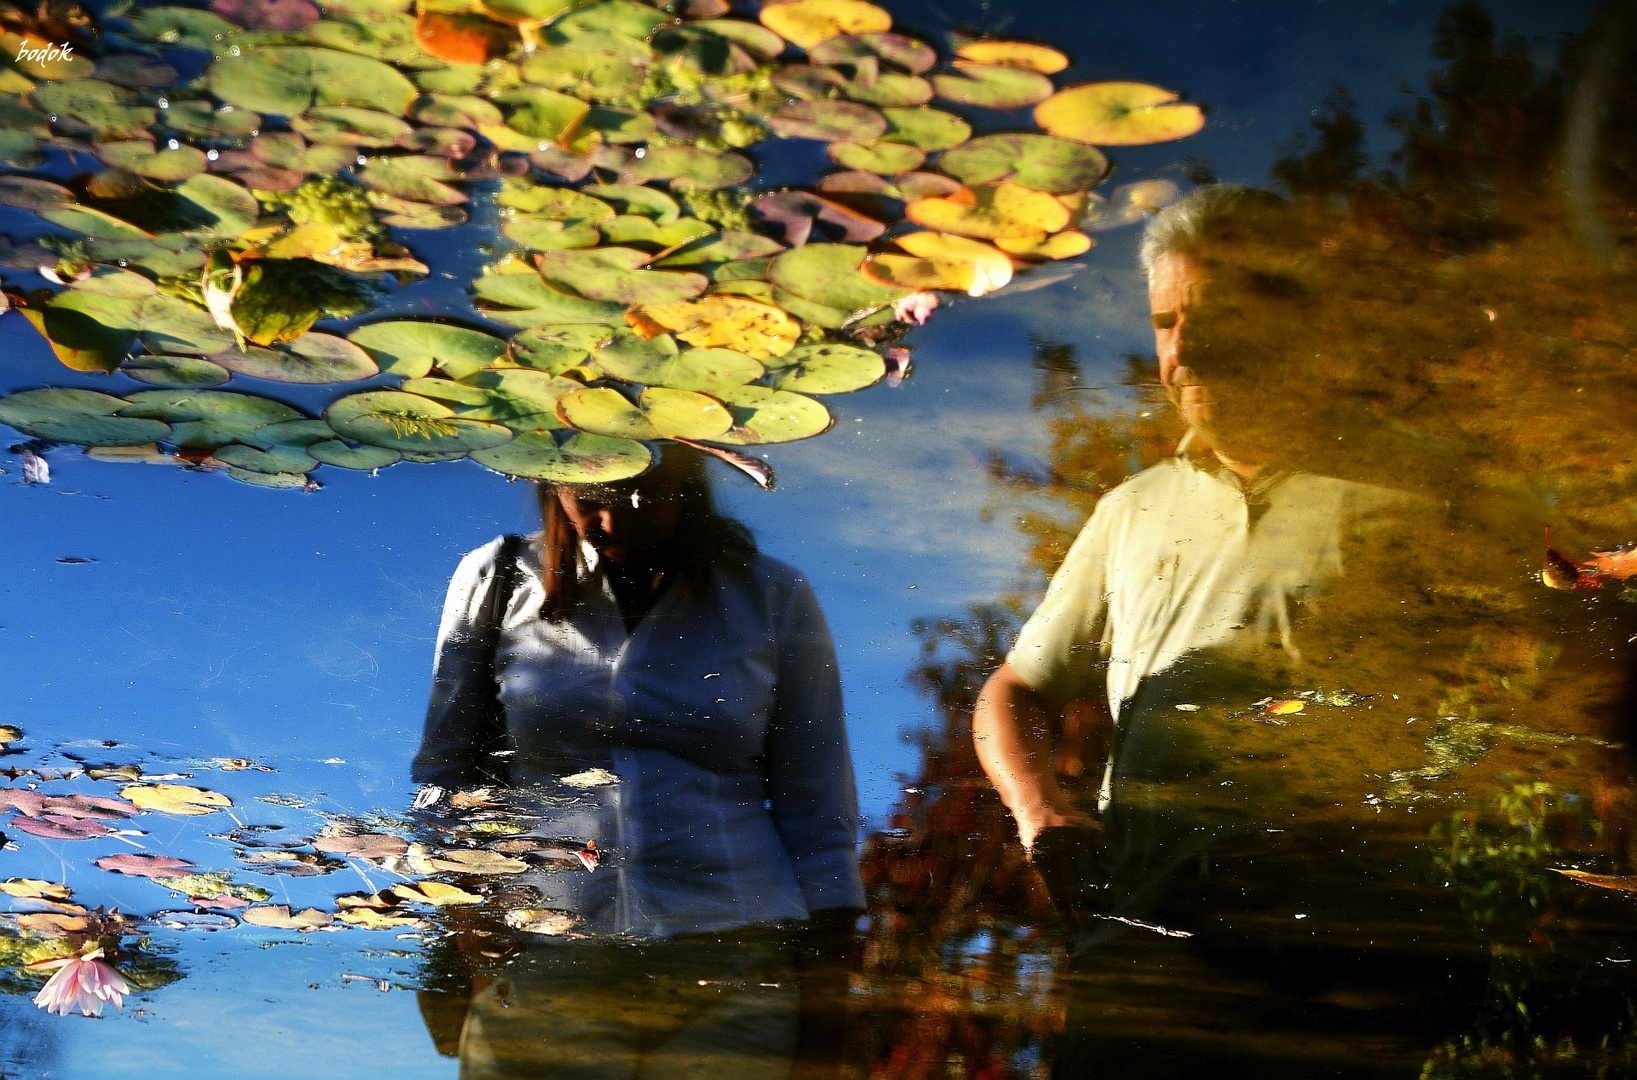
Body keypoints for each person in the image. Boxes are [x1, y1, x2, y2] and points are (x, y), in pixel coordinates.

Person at [973, 185, 1490, 1076]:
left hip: (1331, 973)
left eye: (1210, 317)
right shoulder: (1128, 511)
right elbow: (1012, 691)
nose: (1182, 349)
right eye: (1166, 322)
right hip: (1141, 968)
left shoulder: (1421, 492)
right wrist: (1042, 811)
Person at [412, 445, 864, 1079]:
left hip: (734, 960)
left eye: (645, 495)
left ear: (687, 471)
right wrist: (459, 920)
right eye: (592, 498)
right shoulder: (496, 580)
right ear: (552, 479)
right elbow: (445, 771)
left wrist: (830, 977)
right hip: (540, 952)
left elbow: (817, 802)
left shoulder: (772, 595)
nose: (616, 522)